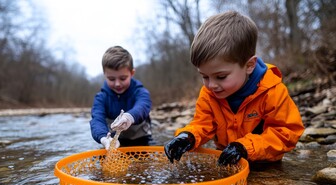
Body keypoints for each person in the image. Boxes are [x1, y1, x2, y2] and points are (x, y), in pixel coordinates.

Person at [164, 11, 305, 165]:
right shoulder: (209, 94)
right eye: (204, 76)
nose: (211, 85)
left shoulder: (272, 92)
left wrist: (244, 147)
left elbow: (286, 132)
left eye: (221, 77)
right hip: (226, 161)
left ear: (249, 65)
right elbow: (202, 124)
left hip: (265, 162)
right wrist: (187, 137)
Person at [90, 46, 153, 149]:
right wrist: (104, 138)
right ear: (104, 75)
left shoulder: (140, 92)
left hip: (141, 139)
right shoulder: (100, 98)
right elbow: (97, 120)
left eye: (123, 78)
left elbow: (143, 106)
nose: (117, 84)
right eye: (111, 79)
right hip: (113, 141)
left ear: (132, 73)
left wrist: (129, 117)